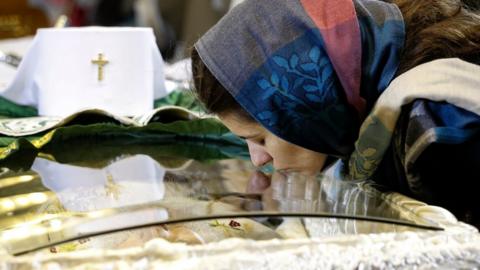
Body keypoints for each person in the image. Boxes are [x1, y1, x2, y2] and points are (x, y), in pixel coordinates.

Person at [190, 0, 480, 224]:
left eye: (260, 139)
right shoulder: (363, 102)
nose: (258, 160)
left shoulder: (440, 122)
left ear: (303, 102)